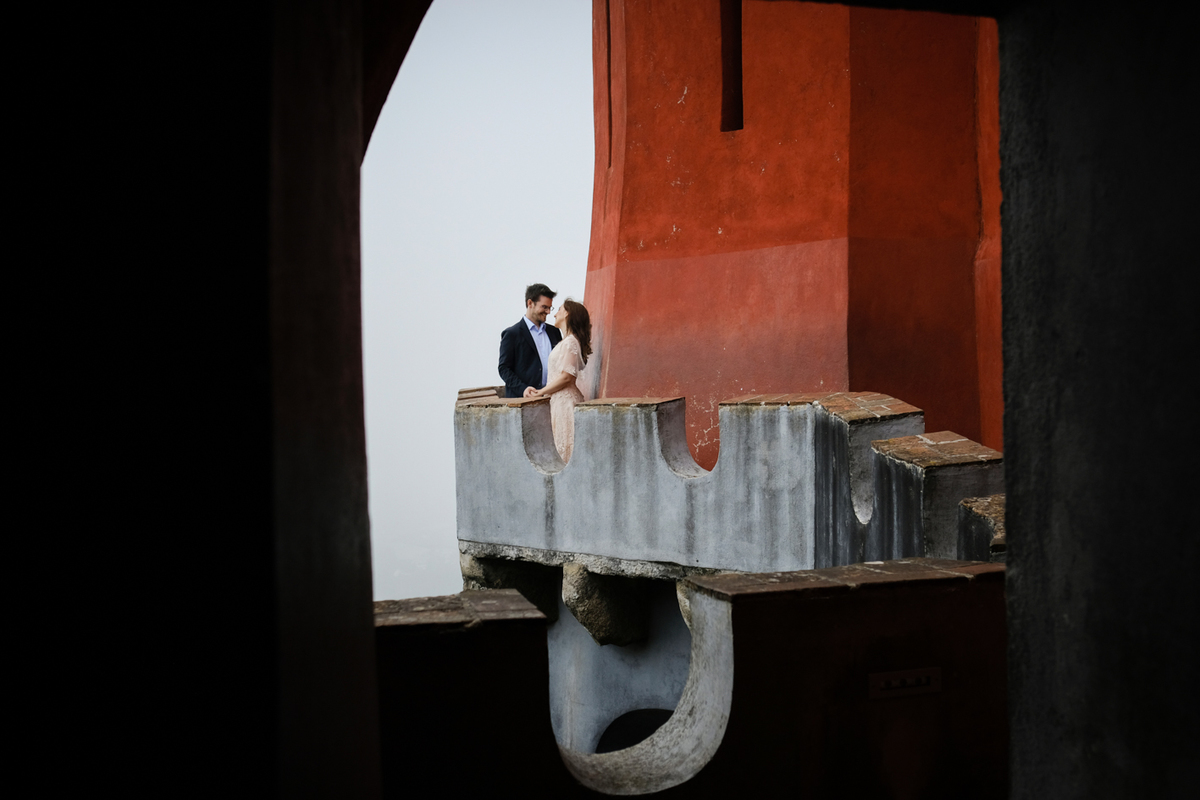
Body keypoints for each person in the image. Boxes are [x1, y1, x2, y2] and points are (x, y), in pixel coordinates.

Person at [532, 299, 592, 463]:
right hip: (559, 402)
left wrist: (541, 392)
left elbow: (567, 377)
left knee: (567, 449)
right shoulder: (568, 342)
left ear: (567, 313)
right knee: (562, 447)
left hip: (565, 403)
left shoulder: (570, 342)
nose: (554, 312)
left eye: (558, 309)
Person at [498, 283, 563, 399]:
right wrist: (523, 389)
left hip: (553, 397)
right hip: (523, 401)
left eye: (550, 308)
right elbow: (504, 368)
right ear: (530, 303)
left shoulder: (554, 332)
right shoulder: (512, 334)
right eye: (544, 307)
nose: (548, 312)